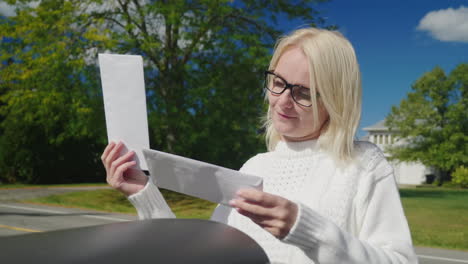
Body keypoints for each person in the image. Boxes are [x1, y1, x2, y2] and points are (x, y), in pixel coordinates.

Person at [101, 28, 418, 263]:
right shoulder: (255, 166)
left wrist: (306, 228)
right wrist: (145, 195)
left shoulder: (363, 163)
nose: (282, 101)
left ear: (336, 100)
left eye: (303, 92)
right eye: (278, 83)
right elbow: (198, 256)